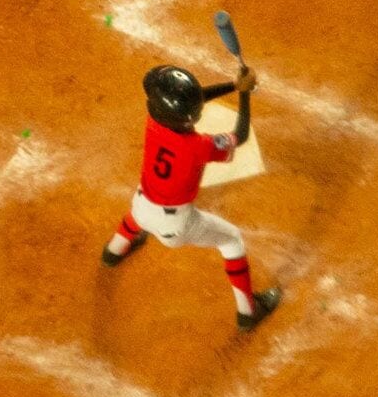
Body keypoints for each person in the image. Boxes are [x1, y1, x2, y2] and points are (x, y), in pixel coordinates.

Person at [100, 63, 280, 329]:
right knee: (232, 240)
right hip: (175, 226)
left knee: (139, 215)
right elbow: (239, 136)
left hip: (140, 205)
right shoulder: (199, 146)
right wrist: (243, 93)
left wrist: (234, 85)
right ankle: (248, 312)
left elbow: (186, 105)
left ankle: (113, 252)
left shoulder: (155, 123)